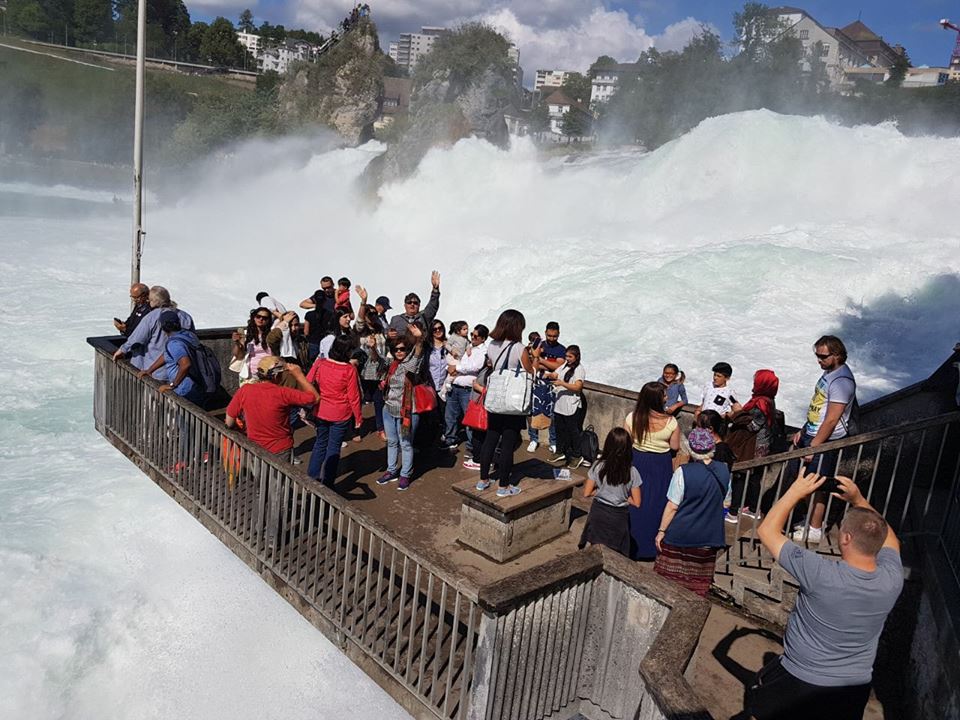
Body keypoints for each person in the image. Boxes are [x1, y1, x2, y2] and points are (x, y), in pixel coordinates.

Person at [749, 473, 903, 720]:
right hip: (853, 688)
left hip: (799, 681)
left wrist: (796, 491)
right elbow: (892, 539)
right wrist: (858, 499)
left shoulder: (820, 573)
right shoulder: (892, 579)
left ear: (846, 538)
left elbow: (767, 530)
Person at [791, 335, 857, 542]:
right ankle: (810, 519)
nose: (819, 360)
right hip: (813, 434)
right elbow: (818, 407)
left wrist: (814, 446)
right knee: (807, 482)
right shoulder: (831, 373)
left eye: (823, 356)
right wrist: (804, 429)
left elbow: (831, 419)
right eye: (817, 356)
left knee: (818, 484)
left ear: (837, 355)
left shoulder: (842, 381)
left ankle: (815, 528)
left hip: (824, 440)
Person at [654, 428, 731, 597]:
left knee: (668, 584)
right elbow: (726, 501)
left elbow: (672, 506)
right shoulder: (725, 470)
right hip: (709, 537)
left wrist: (661, 532)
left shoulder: (683, 472)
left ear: (691, 449)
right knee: (698, 587)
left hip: (681, 535)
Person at [476, 309, 537, 497]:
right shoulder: (519, 348)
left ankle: (483, 480)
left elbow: (495, 367)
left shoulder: (492, 345)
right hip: (512, 402)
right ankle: (504, 486)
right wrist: (535, 355)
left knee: (490, 439)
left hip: (496, 399)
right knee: (508, 444)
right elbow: (530, 372)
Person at [625, 381, 681, 560]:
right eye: (664, 394)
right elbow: (675, 446)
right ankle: (651, 547)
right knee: (656, 503)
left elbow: (626, 442)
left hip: (636, 461)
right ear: (658, 399)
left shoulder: (632, 417)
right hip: (660, 465)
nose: (667, 397)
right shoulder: (671, 422)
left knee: (634, 501)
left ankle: (629, 544)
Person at [224, 357, 319, 458]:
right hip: (280, 448)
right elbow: (315, 398)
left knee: (259, 474)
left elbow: (229, 420)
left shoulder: (245, 390)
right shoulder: (283, 393)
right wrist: (299, 375)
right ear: (277, 375)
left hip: (254, 448)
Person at [306, 335, 362, 487]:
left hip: (321, 410)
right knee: (334, 447)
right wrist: (358, 417)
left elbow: (308, 381)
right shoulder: (349, 370)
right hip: (341, 413)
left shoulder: (320, 363)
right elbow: (354, 396)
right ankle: (328, 482)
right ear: (348, 351)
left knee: (320, 443)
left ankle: (311, 478)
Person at [726, 369, 780, 521]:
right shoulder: (769, 400)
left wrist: (736, 413)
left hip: (752, 448)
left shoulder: (760, 403)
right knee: (755, 477)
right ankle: (753, 508)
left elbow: (753, 426)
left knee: (740, 476)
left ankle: (733, 513)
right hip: (763, 446)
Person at [579, 427, 642, 556]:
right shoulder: (632, 471)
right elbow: (637, 502)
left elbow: (586, 492)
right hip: (618, 517)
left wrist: (601, 492)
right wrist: (624, 498)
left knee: (594, 551)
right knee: (615, 554)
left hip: (598, 513)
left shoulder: (598, 465)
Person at [377, 325, 425, 491]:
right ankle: (391, 471)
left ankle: (405, 474)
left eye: (402, 349)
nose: (399, 352)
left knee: (405, 444)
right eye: (396, 349)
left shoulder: (410, 365)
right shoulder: (393, 364)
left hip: (406, 412)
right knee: (391, 442)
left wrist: (419, 339)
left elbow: (418, 353)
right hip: (388, 409)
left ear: (407, 350)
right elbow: (377, 361)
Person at [113, 286, 195, 377]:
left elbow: (137, 338)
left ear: (155, 301)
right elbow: (193, 339)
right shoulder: (186, 317)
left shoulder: (152, 317)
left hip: (156, 370)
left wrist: (122, 350)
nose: (148, 301)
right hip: (181, 372)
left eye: (150, 299)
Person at [136, 310, 206, 407]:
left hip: (185, 388)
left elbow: (185, 364)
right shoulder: (187, 335)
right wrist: (149, 370)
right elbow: (167, 355)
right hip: (196, 385)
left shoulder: (174, 343)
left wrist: (173, 385)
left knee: (183, 420)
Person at [442, 324, 489, 464]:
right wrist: (455, 369)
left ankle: (471, 447)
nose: (472, 338)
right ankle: (450, 440)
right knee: (450, 415)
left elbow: (475, 367)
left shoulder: (483, 351)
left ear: (483, 338)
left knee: (469, 420)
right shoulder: (470, 348)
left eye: (476, 336)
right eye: (472, 335)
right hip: (456, 385)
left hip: (468, 389)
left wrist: (456, 368)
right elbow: (464, 365)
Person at [544, 345, 586, 468]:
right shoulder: (565, 366)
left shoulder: (579, 369)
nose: (567, 358)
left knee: (573, 431)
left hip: (571, 404)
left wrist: (562, 383)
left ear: (576, 357)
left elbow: (578, 387)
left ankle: (577, 455)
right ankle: (560, 451)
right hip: (560, 404)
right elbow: (556, 374)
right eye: (566, 356)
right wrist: (549, 375)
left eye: (570, 356)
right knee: (559, 429)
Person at [527, 321, 565, 453]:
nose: (552, 339)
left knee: (552, 413)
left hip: (552, 385)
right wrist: (545, 363)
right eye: (549, 335)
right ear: (545, 333)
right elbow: (533, 364)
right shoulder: (538, 344)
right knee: (533, 411)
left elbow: (558, 367)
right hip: (537, 382)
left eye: (554, 336)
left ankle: (553, 441)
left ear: (558, 334)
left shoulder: (561, 349)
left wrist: (541, 360)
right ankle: (533, 439)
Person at [695, 409, 737, 523]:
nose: (696, 430)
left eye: (699, 427)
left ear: (710, 429)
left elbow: (720, 477)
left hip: (713, 500)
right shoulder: (711, 446)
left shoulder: (721, 450)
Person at [357, 313, 388, 441]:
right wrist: (363, 302)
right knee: (359, 400)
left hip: (379, 371)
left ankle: (381, 428)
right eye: (369, 314)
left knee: (379, 401)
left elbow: (386, 349)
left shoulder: (380, 330)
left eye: (374, 314)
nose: (372, 317)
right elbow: (359, 321)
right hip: (364, 371)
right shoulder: (360, 331)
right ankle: (356, 429)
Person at [388, 271, 441, 335]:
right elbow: (388, 336)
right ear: (405, 305)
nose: (412, 304)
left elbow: (433, 305)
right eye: (409, 302)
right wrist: (389, 335)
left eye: (415, 303)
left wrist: (435, 289)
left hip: (421, 345)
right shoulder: (396, 319)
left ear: (419, 305)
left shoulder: (424, 317)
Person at [231, 307, 274, 383]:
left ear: (268, 320)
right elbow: (238, 355)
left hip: (268, 374)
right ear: (254, 318)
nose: (261, 319)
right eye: (258, 316)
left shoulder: (272, 334)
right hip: (250, 375)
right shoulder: (246, 334)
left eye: (265, 318)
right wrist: (237, 343)